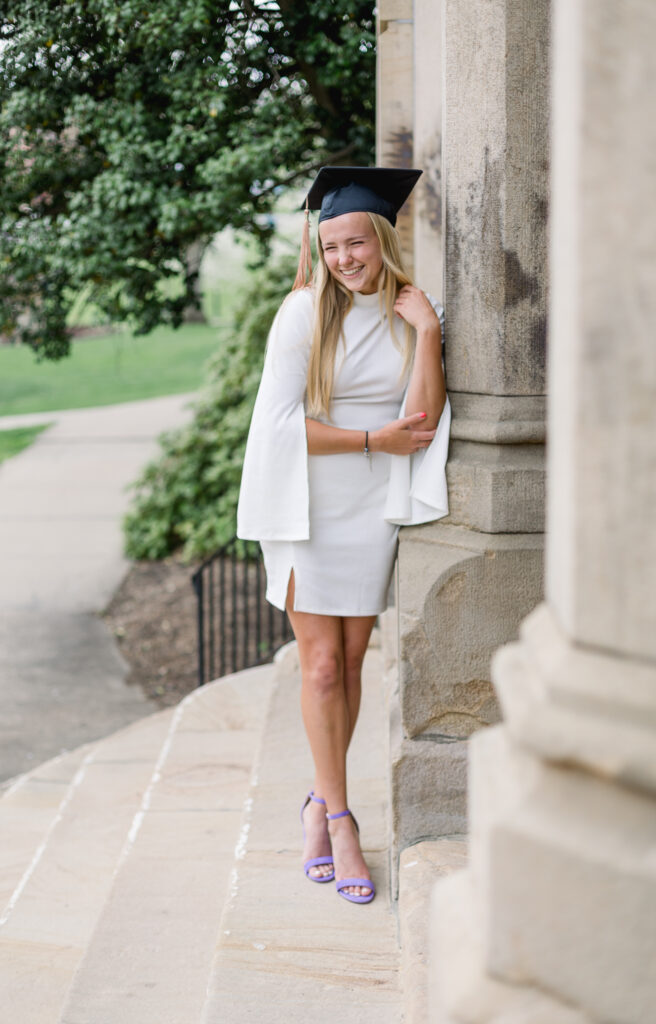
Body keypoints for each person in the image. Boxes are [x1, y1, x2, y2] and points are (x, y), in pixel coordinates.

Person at [237, 166, 450, 905]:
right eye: (330, 248)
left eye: (355, 244)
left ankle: (315, 800)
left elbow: (420, 422)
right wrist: (370, 440)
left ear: (382, 240)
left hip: (370, 505)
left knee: (354, 662)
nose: (344, 261)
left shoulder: (415, 311)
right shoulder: (303, 314)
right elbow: (277, 430)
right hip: (306, 502)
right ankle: (340, 816)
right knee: (321, 667)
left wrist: (426, 333)